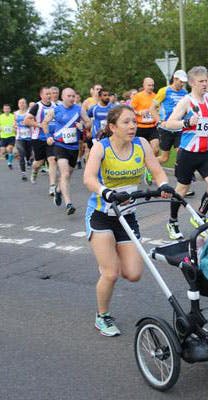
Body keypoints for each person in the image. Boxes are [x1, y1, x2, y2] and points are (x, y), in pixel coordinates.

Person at [83, 105, 173, 336]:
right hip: (101, 215)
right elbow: (89, 178)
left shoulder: (141, 145)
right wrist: (106, 192)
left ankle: (108, 261)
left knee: (133, 274)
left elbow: (157, 171)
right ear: (112, 127)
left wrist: (162, 185)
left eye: (133, 121)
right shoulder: (101, 148)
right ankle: (102, 316)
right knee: (111, 272)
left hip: (127, 216)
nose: (132, 126)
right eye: (126, 122)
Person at [165, 66, 208, 240]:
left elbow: (207, 122)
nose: (205, 84)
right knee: (182, 189)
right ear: (191, 83)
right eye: (201, 81)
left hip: (205, 152)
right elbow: (169, 123)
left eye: (206, 80)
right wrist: (187, 121)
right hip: (188, 152)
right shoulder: (186, 101)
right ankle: (172, 221)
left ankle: (199, 215)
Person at [43, 88, 91, 215]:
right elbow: (45, 123)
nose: (71, 98)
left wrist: (84, 126)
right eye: (69, 96)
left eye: (73, 96)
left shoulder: (79, 109)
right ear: (63, 97)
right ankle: (69, 204)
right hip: (60, 145)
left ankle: (58, 190)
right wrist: (48, 136)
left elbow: (88, 122)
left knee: (69, 173)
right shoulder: (56, 109)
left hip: (74, 147)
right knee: (64, 174)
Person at [24, 87, 57, 193]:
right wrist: (39, 124)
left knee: (52, 160)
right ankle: (34, 170)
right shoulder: (36, 106)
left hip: (51, 138)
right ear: (41, 95)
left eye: (50, 94)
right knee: (39, 162)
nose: (49, 96)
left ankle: (52, 187)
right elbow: (26, 121)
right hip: (38, 138)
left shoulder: (55, 106)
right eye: (46, 94)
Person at [153, 70, 188, 165]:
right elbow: (151, 108)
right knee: (164, 158)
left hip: (179, 128)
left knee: (182, 152)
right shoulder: (164, 91)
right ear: (175, 79)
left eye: (184, 82)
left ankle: (182, 173)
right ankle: (148, 166)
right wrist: (159, 121)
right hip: (165, 128)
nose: (182, 84)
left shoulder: (185, 93)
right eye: (181, 82)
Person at [131, 77, 159, 185]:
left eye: (152, 85)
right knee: (138, 152)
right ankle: (136, 172)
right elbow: (130, 109)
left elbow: (158, 109)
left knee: (155, 149)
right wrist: (139, 112)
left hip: (152, 127)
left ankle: (150, 170)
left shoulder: (156, 96)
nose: (151, 87)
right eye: (149, 85)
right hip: (140, 127)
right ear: (144, 85)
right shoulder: (138, 96)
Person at [14, 98, 32, 180]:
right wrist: (14, 126)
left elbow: (32, 123)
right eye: (20, 103)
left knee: (28, 153)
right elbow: (14, 123)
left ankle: (28, 160)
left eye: (23, 103)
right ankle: (23, 173)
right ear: (18, 104)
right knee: (21, 153)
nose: (22, 104)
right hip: (19, 137)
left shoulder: (29, 113)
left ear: (26, 104)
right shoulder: (16, 113)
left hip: (29, 137)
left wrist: (27, 124)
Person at [0, 104, 16, 169]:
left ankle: (9, 163)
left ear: (10, 109)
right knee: (3, 151)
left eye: (8, 109)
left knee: (9, 149)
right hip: (3, 136)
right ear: (3, 110)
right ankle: (7, 155)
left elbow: (16, 124)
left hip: (11, 136)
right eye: (5, 109)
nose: (6, 110)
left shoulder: (13, 116)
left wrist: (15, 127)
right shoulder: (0, 117)